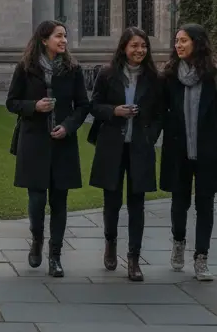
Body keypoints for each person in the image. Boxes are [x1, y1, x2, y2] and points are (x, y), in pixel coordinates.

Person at [6, 20, 89, 278]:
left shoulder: (73, 70)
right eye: (58, 36)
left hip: (62, 142)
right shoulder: (25, 68)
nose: (63, 41)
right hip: (34, 141)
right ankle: (37, 239)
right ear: (44, 40)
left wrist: (67, 126)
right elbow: (12, 102)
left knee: (59, 201)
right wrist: (34, 107)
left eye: (65, 36)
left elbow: (83, 106)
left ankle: (55, 256)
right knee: (37, 199)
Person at [159, 23, 217, 282]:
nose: (178, 45)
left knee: (206, 205)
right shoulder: (169, 75)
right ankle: (178, 242)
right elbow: (160, 110)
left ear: (197, 43)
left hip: (208, 150)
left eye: (183, 40)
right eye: (176, 41)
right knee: (179, 202)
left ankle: (201, 257)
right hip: (178, 149)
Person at [88, 27, 163, 281]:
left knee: (137, 204)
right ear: (124, 48)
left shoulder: (153, 77)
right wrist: (114, 111)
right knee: (111, 201)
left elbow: (159, 113)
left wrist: (151, 135)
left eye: (143, 45)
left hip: (140, 147)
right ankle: (110, 242)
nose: (139, 50)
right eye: (134, 45)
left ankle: (133, 258)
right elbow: (94, 107)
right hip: (112, 146)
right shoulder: (107, 74)